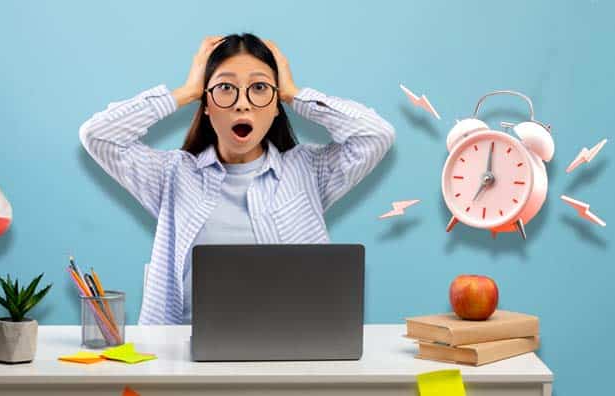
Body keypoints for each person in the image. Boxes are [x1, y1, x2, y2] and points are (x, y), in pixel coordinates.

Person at [79, 33, 395, 325]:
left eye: (259, 88)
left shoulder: (309, 171)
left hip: (288, 348)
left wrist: (293, 94)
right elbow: (98, 136)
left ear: (275, 107)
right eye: (225, 88)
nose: (242, 103)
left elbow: (376, 135)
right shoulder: (172, 175)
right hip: (182, 358)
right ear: (206, 105)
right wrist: (186, 92)